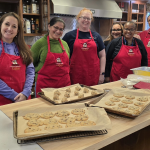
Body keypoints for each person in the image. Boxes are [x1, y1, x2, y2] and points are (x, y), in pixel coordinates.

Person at [63, 8, 106, 86]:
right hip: (75, 75)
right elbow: (62, 55)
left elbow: (102, 56)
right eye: (84, 18)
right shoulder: (69, 36)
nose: (86, 20)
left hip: (93, 75)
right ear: (78, 19)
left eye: (88, 18)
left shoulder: (96, 36)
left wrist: (102, 74)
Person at [0, 12, 35, 105]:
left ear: (18, 31)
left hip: (23, 98)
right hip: (3, 100)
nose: (10, 29)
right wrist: (14, 96)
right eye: (7, 24)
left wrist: (26, 92)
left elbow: (30, 71)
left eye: (14, 26)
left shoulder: (23, 48)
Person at [31, 17, 70, 97]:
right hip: (45, 86)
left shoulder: (65, 44)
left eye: (61, 29)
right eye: (55, 27)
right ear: (49, 26)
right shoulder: (39, 44)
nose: (58, 31)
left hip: (63, 85)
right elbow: (30, 65)